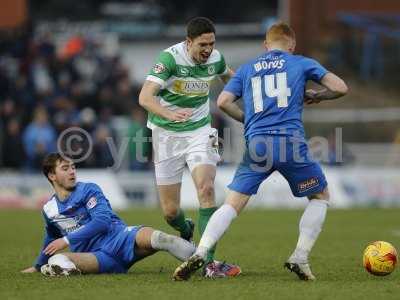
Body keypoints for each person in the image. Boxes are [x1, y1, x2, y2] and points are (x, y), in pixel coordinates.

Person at [173, 22, 348, 281]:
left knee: (232, 204)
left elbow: (222, 102)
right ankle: (299, 256)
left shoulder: (247, 68)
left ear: (266, 45)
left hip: (257, 144)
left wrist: (249, 119)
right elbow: (340, 87)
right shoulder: (300, 62)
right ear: (292, 45)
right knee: (320, 195)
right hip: (290, 144)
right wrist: (317, 95)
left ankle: (201, 251)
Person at [139, 17, 241, 278]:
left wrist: (252, 87)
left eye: (211, 43)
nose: (207, 49)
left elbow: (233, 77)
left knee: (206, 190)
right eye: (202, 44)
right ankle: (186, 229)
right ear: (188, 42)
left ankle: (208, 262)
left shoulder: (215, 59)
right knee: (170, 212)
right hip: (166, 135)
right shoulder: (170, 59)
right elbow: (145, 97)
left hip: (199, 131)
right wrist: (168, 114)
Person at [21, 152, 196, 276]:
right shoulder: (50, 209)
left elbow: (102, 221)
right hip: (95, 257)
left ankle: (206, 262)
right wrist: (38, 265)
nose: (72, 171)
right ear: (52, 175)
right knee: (57, 259)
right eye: (65, 168)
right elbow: (52, 238)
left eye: (73, 167)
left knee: (161, 239)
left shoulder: (88, 189)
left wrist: (66, 240)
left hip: (120, 238)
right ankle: (62, 270)